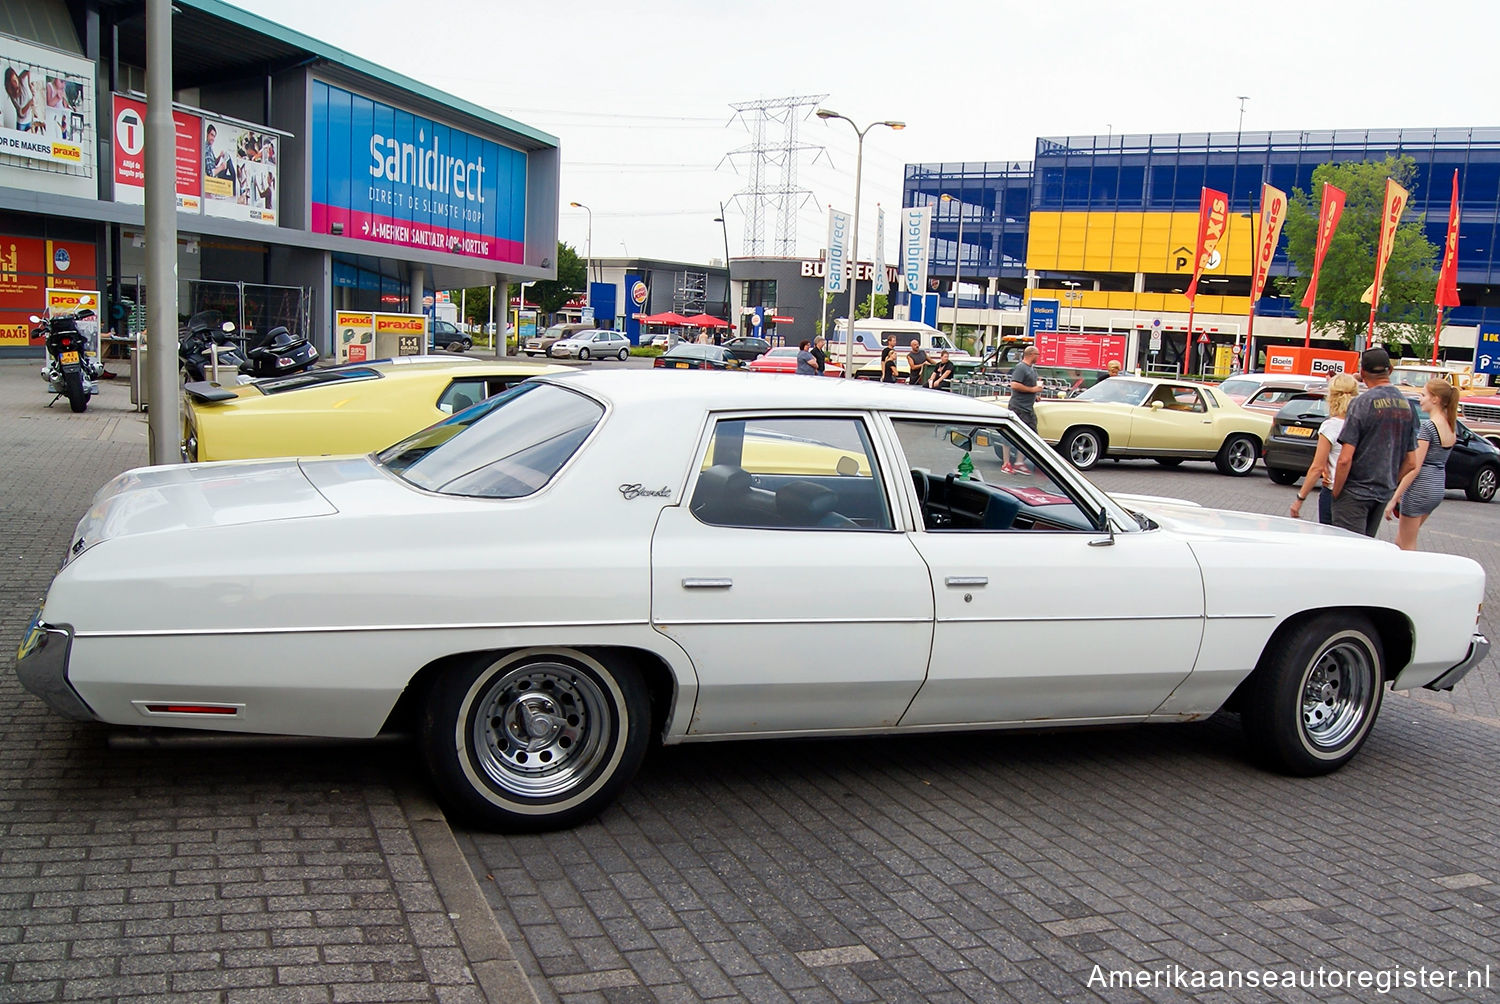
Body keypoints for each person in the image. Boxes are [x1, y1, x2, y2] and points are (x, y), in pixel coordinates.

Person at [1330, 346, 1420, 537]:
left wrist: (1336, 493)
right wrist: (1389, 483)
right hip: (1381, 493)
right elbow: (1411, 461)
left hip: (1354, 493)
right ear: (1391, 370)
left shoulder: (1361, 403)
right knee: (1366, 550)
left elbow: (1345, 459)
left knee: (1347, 552)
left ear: (1362, 373)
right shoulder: (1408, 407)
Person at [1384, 378, 1458, 550]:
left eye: (1423, 395)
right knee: (1401, 541)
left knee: (1407, 545)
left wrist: (1394, 498)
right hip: (1437, 486)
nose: (1420, 399)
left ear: (1435, 399)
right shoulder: (1450, 426)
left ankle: (1411, 575)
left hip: (1419, 489)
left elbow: (1415, 467)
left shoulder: (1429, 427)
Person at [1289, 373, 1358, 526]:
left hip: (1334, 490)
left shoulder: (1331, 426)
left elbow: (1317, 467)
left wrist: (1300, 498)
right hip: (1358, 493)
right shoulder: (1362, 423)